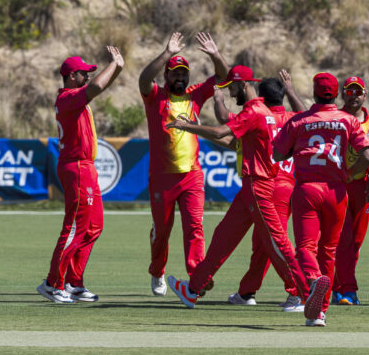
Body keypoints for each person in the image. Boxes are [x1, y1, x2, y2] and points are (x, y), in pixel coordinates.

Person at [165, 65, 328, 322]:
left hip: (260, 185)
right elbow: (232, 140)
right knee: (223, 237)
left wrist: (187, 127)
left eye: (232, 88)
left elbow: (221, 131)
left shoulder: (254, 112)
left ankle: (307, 297)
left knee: (277, 243)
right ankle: (193, 289)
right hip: (254, 185)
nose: (231, 94)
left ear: (243, 85)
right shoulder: (266, 113)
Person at [273, 72, 369, 326]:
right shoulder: (348, 120)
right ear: (336, 94)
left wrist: (296, 148)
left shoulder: (299, 121)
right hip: (337, 190)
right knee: (329, 250)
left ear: (315, 93)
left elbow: (277, 153)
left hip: (307, 188)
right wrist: (350, 174)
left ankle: (314, 279)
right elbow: (368, 156)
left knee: (306, 247)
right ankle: (320, 313)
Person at [139, 32, 229, 296]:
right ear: (166, 76)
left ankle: (196, 276)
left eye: (183, 73)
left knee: (195, 227)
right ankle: (157, 271)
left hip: (191, 175)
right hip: (162, 176)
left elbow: (224, 77)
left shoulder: (195, 96)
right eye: (174, 73)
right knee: (162, 233)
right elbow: (144, 78)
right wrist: (167, 53)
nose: (180, 78)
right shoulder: (155, 96)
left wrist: (215, 55)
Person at [37, 47, 124, 303]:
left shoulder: (75, 97)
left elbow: (99, 86)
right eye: (83, 73)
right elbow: (96, 87)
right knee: (75, 227)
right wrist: (113, 64)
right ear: (72, 76)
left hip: (85, 167)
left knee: (94, 226)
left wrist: (117, 67)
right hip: (75, 167)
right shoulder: (67, 97)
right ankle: (53, 284)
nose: (87, 76)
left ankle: (74, 282)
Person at [226, 73, 302, 308]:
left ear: (261, 97)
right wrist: (290, 90)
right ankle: (247, 291)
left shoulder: (262, 115)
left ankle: (297, 291)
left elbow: (227, 127)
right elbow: (304, 115)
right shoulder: (292, 118)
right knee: (263, 243)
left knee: (274, 243)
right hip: (287, 185)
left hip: (269, 184)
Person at [331, 76, 369, 305]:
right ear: (343, 94)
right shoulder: (336, 119)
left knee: (355, 243)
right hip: (339, 186)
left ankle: (338, 287)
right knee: (342, 241)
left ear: (365, 95)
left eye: (358, 92)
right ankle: (348, 291)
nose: (353, 96)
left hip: (362, 188)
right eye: (349, 91)